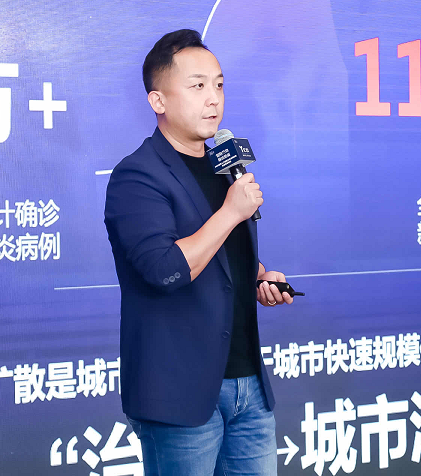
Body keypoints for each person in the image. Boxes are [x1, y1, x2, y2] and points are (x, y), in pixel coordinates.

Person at [104, 29, 295, 476]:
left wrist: (258, 277)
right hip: (180, 394)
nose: (213, 99)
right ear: (158, 101)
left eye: (219, 85)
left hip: (248, 386)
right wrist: (230, 213)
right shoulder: (137, 176)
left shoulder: (225, 167)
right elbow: (164, 269)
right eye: (197, 86)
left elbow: (222, 258)